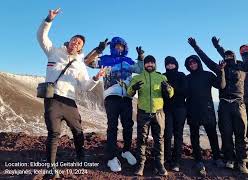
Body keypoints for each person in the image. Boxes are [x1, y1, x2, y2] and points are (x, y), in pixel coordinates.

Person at [188, 31, 248, 174]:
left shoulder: (243, 67)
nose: (228, 58)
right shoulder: (219, 68)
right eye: (226, 56)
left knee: (241, 134)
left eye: (231, 56)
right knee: (226, 133)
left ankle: (242, 162)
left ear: (235, 57)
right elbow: (204, 59)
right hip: (224, 105)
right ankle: (229, 159)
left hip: (238, 104)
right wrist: (196, 47)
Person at [37, 8, 105, 179]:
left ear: (81, 48)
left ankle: (81, 158)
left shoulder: (80, 64)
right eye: (74, 40)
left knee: (78, 131)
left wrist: (96, 78)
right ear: (69, 41)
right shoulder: (54, 52)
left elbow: (85, 86)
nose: (76, 43)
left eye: (80, 43)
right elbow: (41, 37)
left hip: (70, 102)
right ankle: (51, 167)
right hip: (52, 99)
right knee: (53, 133)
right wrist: (49, 19)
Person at [85, 37, 144, 172]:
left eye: (121, 46)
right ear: (113, 47)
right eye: (117, 46)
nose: (119, 48)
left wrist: (141, 57)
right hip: (111, 97)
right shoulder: (105, 59)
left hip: (127, 98)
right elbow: (88, 62)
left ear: (125, 48)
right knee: (112, 127)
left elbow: (140, 70)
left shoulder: (128, 61)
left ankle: (126, 150)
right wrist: (98, 50)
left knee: (128, 125)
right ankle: (111, 157)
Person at [127, 55, 174, 176]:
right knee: (142, 139)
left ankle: (160, 164)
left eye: (152, 63)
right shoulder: (138, 77)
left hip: (158, 112)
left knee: (159, 139)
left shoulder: (161, 77)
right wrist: (133, 88)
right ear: (144, 64)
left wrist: (168, 88)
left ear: (155, 64)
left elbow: (171, 93)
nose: (149, 65)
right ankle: (141, 165)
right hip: (143, 112)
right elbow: (129, 92)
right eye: (147, 63)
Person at [184, 55, 226, 176]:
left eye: (194, 62)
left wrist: (221, 71)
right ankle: (198, 160)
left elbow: (221, 85)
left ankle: (217, 157)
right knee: (194, 137)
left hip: (207, 109)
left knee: (212, 135)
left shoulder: (207, 75)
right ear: (188, 66)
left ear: (198, 63)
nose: (192, 65)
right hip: (192, 110)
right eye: (190, 64)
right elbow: (183, 93)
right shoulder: (187, 78)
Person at [162, 56, 187, 172]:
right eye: (168, 64)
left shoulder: (181, 75)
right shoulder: (163, 76)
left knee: (178, 135)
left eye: (172, 64)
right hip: (166, 109)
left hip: (180, 109)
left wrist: (171, 88)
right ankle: (166, 158)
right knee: (167, 134)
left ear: (176, 64)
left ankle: (176, 160)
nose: (170, 66)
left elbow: (185, 91)